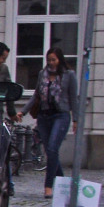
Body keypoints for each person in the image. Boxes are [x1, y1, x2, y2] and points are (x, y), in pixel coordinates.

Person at [18, 47, 79, 198]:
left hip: (61, 115)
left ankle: (48, 186)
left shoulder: (69, 75)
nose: (51, 63)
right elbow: (36, 96)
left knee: (52, 148)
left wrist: (77, 119)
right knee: (50, 151)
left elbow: (73, 98)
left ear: (60, 60)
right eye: (49, 60)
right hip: (44, 116)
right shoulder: (42, 74)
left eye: (54, 60)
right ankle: (64, 183)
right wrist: (23, 111)